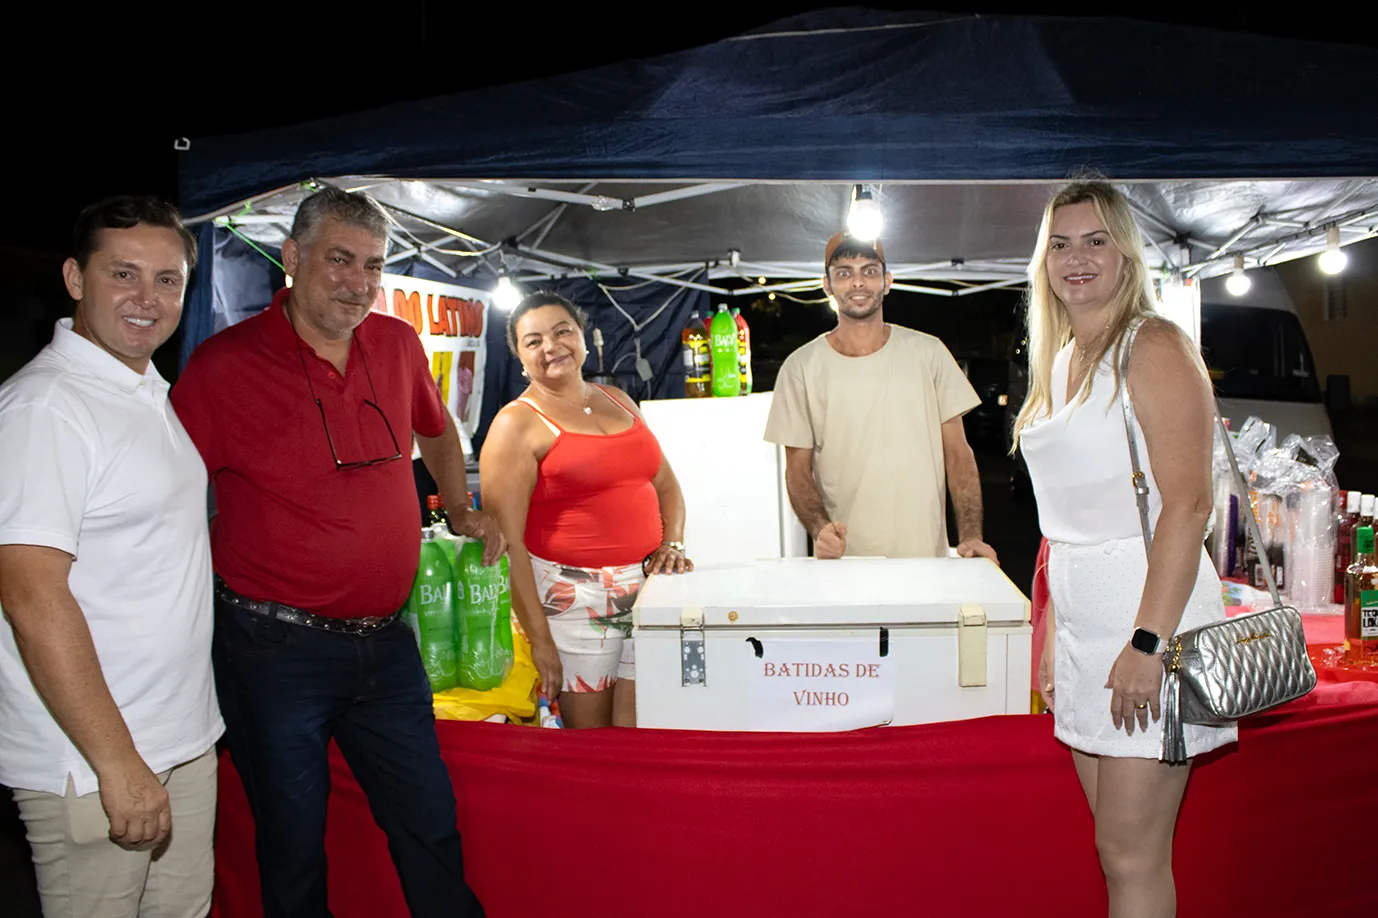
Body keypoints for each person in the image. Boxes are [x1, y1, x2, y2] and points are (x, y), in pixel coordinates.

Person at [171, 186, 505, 918]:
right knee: (293, 851)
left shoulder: (398, 344)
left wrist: (460, 507)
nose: (359, 282)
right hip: (272, 650)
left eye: (373, 265)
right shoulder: (223, 367)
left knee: (430, 827)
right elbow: (165, 499)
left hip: (387, 643)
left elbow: (438, 430)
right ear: (292, 257)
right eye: (340, 260)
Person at [1012, 179, 1238, 917]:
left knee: (1132, 854)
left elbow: (1189, 505)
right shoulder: (1062, 360)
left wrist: (1148, 643)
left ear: (1127, 255)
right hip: (1085, 626)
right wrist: (1053, 629)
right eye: (1061, 244)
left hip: (1149, 621)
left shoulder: (1154, 345)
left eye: (1096, 241)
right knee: (1115, 850)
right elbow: (1067, 517)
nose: (1076, 258)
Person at [0, 196, 221, 917]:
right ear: (74, 277)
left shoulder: (143, 389)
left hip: (179, 738)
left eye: (167, 280)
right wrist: (116, 763)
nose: (146, 298)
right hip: (94, 757)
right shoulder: (46, 408)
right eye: (123, 273)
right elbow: (31, 595)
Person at [479, 292, 692, 729]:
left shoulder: (619, 400)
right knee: (591, 741)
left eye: (562, 332)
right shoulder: (515, 424)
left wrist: (672, 543)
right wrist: (540, 640)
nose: (551, 346)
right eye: (533, 341)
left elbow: (667, 486)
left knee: (642, 727)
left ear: (583, 337)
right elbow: (507, 544)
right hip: (574, 605)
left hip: (650, 592)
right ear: (520, 358)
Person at [764, 232, 997, 562]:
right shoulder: (799, 368)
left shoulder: (929, 353)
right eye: (844, 272)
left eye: (869, 271)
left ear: (887, 282)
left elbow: (959, 455)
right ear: (827, 285)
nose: (858, 282)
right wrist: (819, 528)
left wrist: (971, 535)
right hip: (847, 562)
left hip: (925, 560)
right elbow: (797, 470)